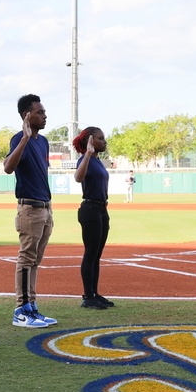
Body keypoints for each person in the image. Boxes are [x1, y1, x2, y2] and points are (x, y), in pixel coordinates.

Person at [3, 94, 57, 329]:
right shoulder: (19, 139)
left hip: (45, 209)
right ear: (27, 115)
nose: (45, 116)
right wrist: (24, 139)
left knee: (35, 261)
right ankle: (20, 310)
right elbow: (8, 167)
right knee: (26, 259)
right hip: (29, 209)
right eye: (40, 112)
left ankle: (32, 307)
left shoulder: (43, 141)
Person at [73, 127, 113, 310]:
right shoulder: (86, 159)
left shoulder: (98, 161)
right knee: (90, 254)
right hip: (90, 209)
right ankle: (87, 297)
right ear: (90, 141)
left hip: (101, 210)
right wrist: (88, 154)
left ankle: (94, 293)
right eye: (100, 138)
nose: (104, 141)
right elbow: (78, 178)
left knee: (96, 255)